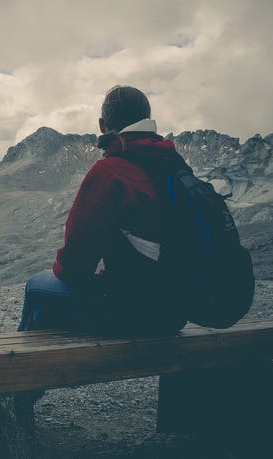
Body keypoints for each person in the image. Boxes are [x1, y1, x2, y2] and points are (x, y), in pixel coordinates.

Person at [18, 85, 187, 336]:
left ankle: (28, 369)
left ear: (102, 125)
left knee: (37, 286)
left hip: (132, 312)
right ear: (148, 119)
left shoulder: (110, 172)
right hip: (176, 311)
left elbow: (75, 264)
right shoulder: (172, 164)